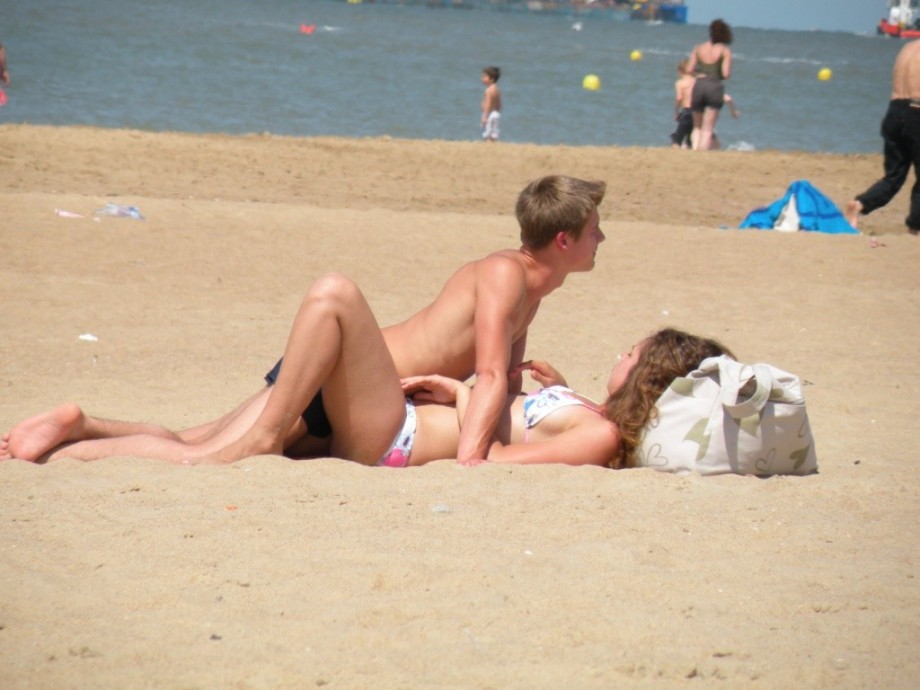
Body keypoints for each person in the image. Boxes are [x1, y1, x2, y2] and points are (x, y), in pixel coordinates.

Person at [2, 175, 607, 465]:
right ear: (562, 239)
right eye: (594, 229)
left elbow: (500, 381)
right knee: (214, 450)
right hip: (341, 377)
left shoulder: (532, 286)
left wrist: (542, 392)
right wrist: (472, 465)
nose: (602, 237)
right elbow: (491, 378)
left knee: (196, 440)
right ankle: (67, 447)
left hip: (345, 380)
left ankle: (77, 428)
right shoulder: (505, 274)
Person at [0, 327, 733, 470]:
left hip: (402, 440)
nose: (620, 352)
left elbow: (499, 460)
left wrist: (485, 392)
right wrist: (461, 387)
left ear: (650, 374)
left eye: (632, 352)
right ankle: (80, 433)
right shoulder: (587, 411)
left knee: (339, 305)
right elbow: (508, 427)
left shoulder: (601, 438)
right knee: (198, 439)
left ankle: (76, 437)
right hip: (416, 418)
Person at [845, 40, 920, 234]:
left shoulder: (908, 48)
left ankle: (860, 204)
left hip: (894, 112)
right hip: (917, 112)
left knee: (893, 176)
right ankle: (915, 227)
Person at [686, 19, 733, 151]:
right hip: (715, 86)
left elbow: (689, 70)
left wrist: (700, 74)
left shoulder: (698, 48)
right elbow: (726, 74)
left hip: (699, 85)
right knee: (708, 127)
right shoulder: (724, 51)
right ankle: (702, 153)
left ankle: (694, 150)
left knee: (697, 126)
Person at [670, 59, 695, 149]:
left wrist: (676, 110)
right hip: (697, 112)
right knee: (690, 139)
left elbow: (679, 98)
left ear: (680, 70)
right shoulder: (696, 81)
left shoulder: (680, 83)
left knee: (677, 138)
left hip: (687, 112)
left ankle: (674, 156)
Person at [480, 66, 502, 142]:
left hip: (489, 114)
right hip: (496, 113)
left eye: (484, 77)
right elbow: (499, 104)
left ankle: (487, 146)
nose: (482, 79)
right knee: (494, 134)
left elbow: (488, 103)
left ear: (492, 79)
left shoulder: (489, 90)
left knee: (487, 134)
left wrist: (485, 115)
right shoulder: (497, 89)